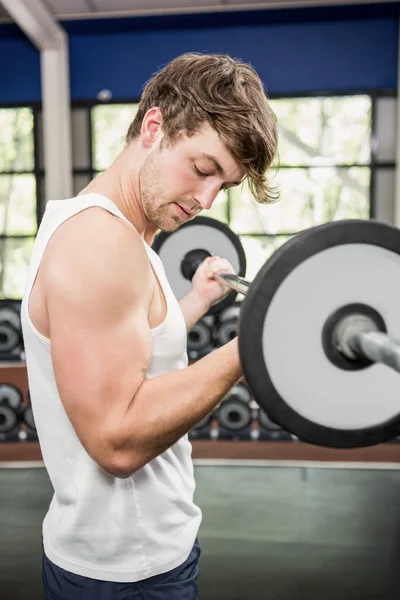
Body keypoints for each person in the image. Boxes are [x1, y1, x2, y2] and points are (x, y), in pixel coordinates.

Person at [21, 52, 278, 600]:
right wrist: (251, 345)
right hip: (126, 573)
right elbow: (117, 440)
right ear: (155, 126)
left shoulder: (130, 236)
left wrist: (194, 302)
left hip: (138, 552)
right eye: (204, 169)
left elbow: (133, 352)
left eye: (223, 186)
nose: (207, 200)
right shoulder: (101, 244)